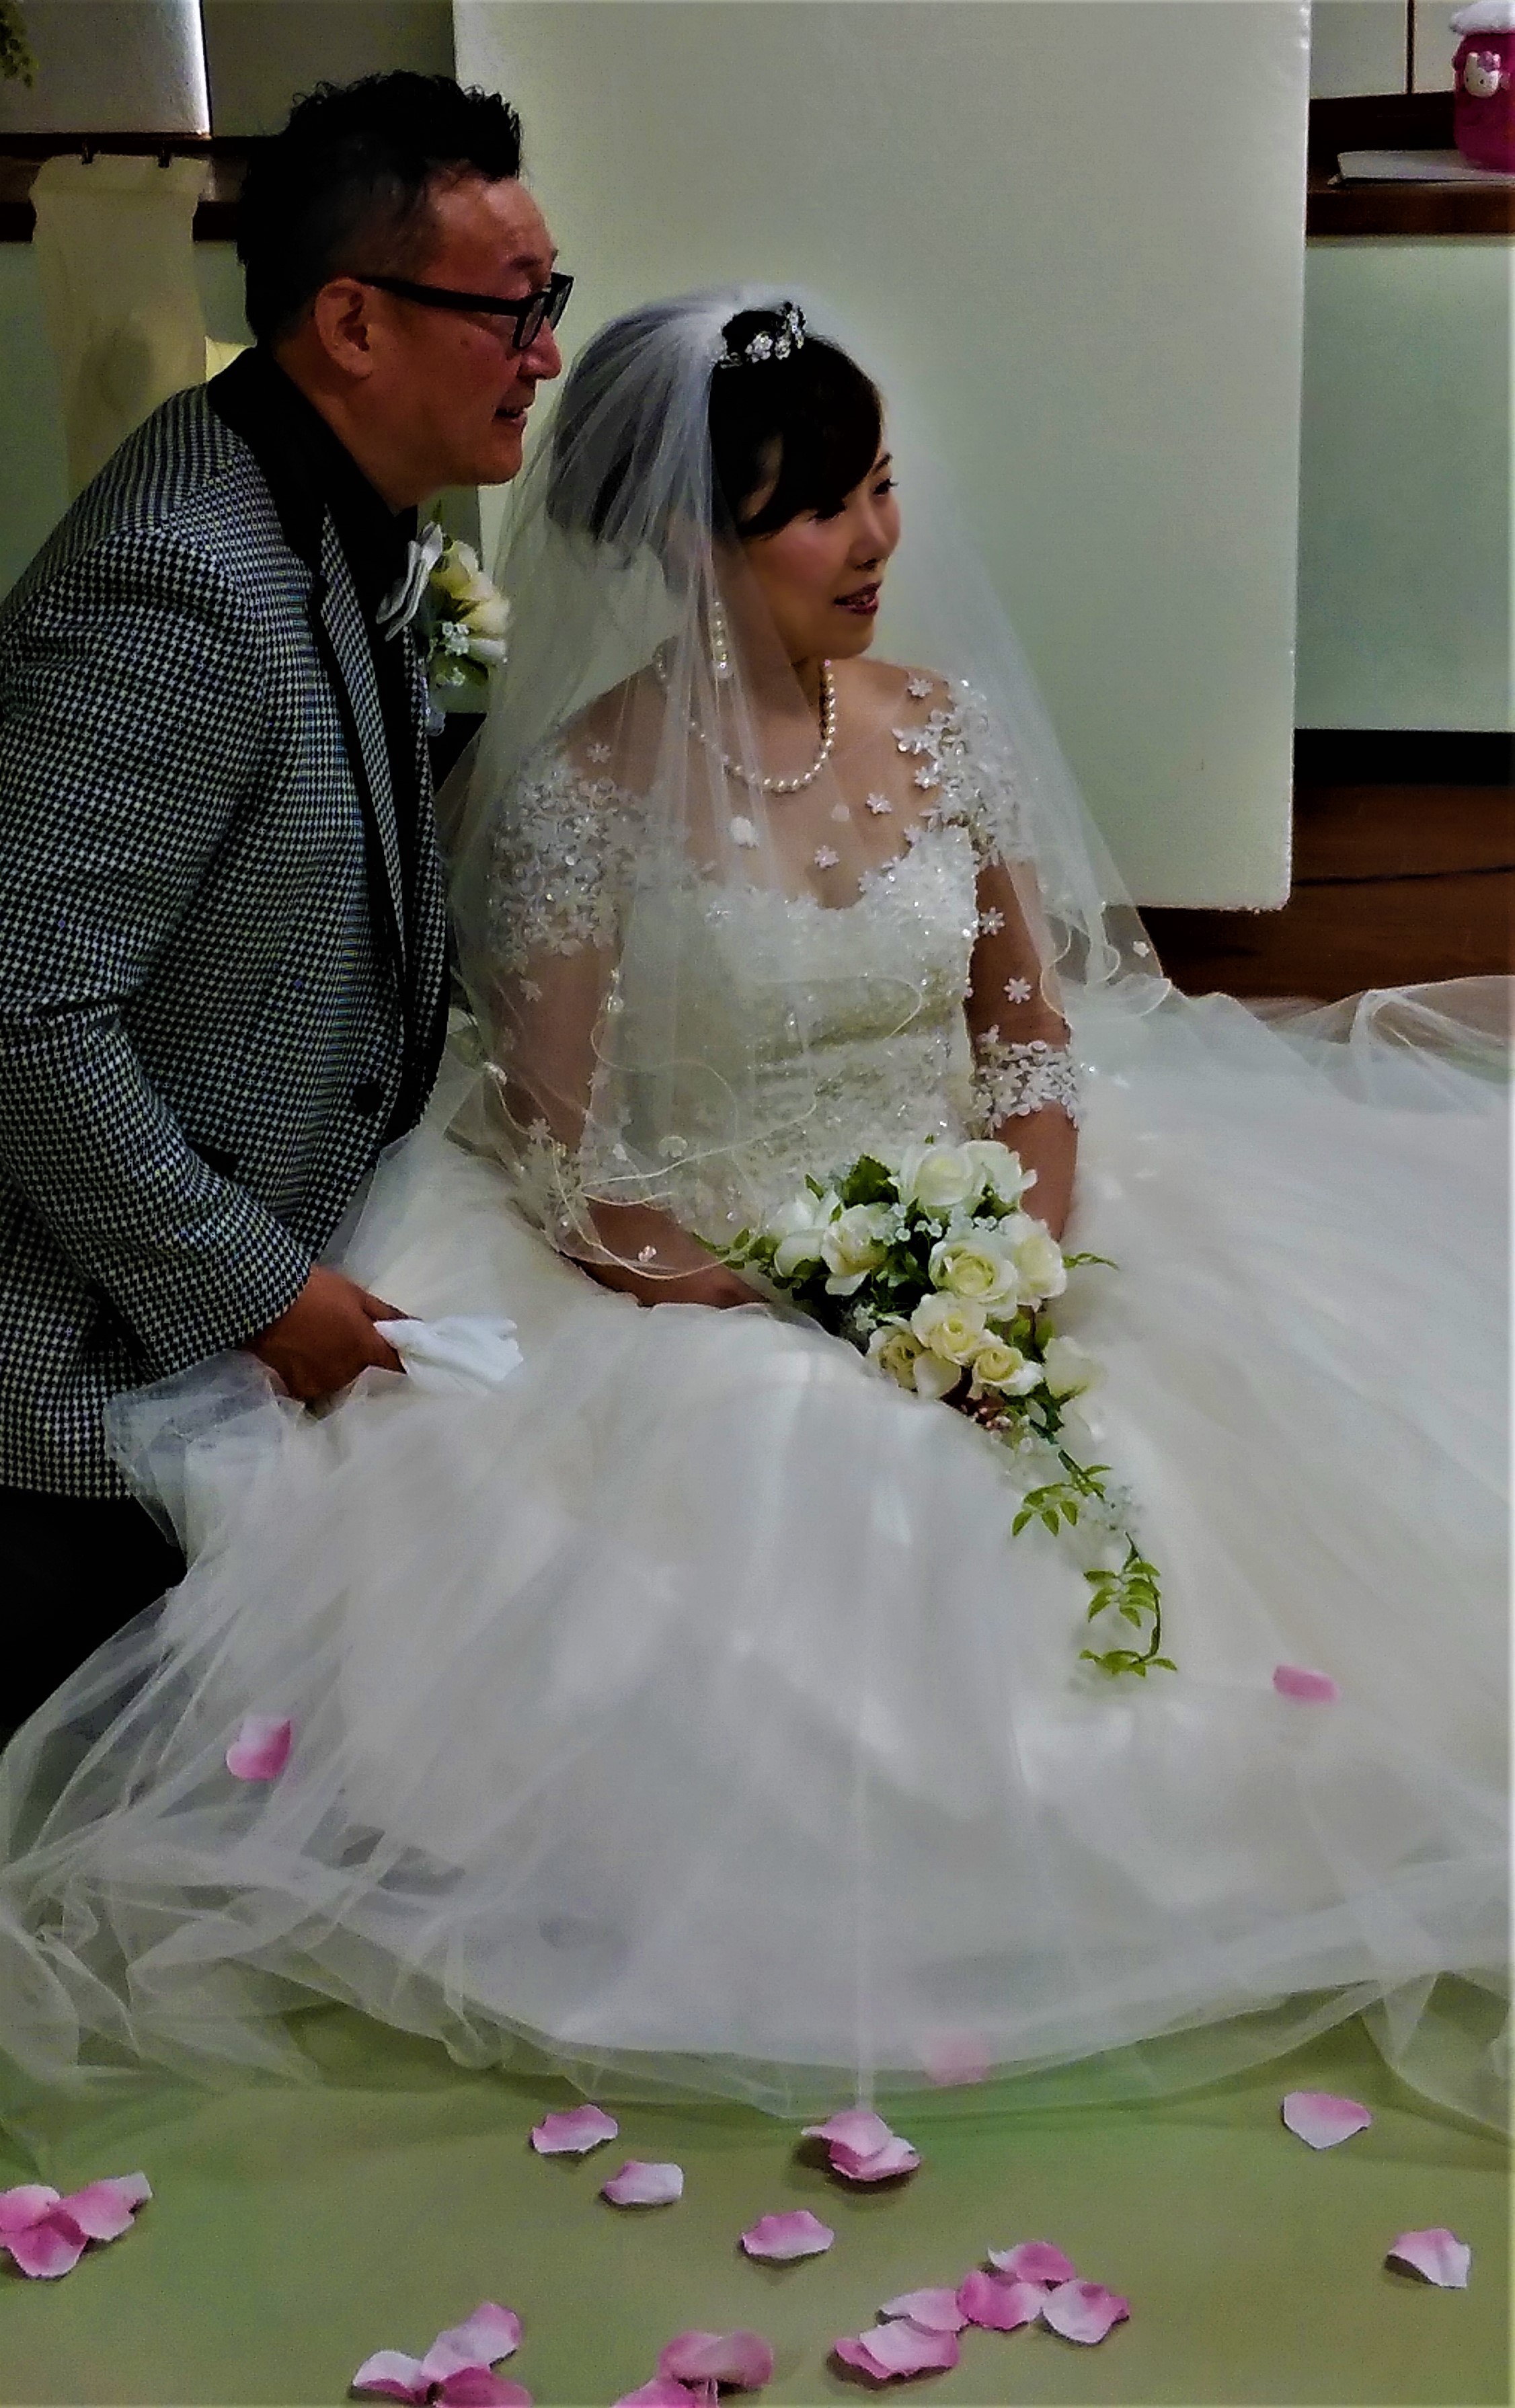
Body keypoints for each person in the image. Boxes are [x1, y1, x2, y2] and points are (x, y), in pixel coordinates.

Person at [0, 295, 1504, 2133]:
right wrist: (787, 1295)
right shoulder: (585, 792)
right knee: (802, 1533)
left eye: (882, 489)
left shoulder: (943, 732)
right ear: (692, 540)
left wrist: (1016, 1252)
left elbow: (1025, 1035)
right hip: (701, 1270)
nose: (875, 541)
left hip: (977, 1229)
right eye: (818, 509)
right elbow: (557, 1142)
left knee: (1272, 1519)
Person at [0, 73, 565, 1728]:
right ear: (353, 322)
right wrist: (255, 1287)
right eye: (511, 310)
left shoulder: (316, 496)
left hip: (267, 1259)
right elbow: (22, 1002)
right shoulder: (180, 575)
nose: (543, 353)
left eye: (550, 300)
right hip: (89, 1372)